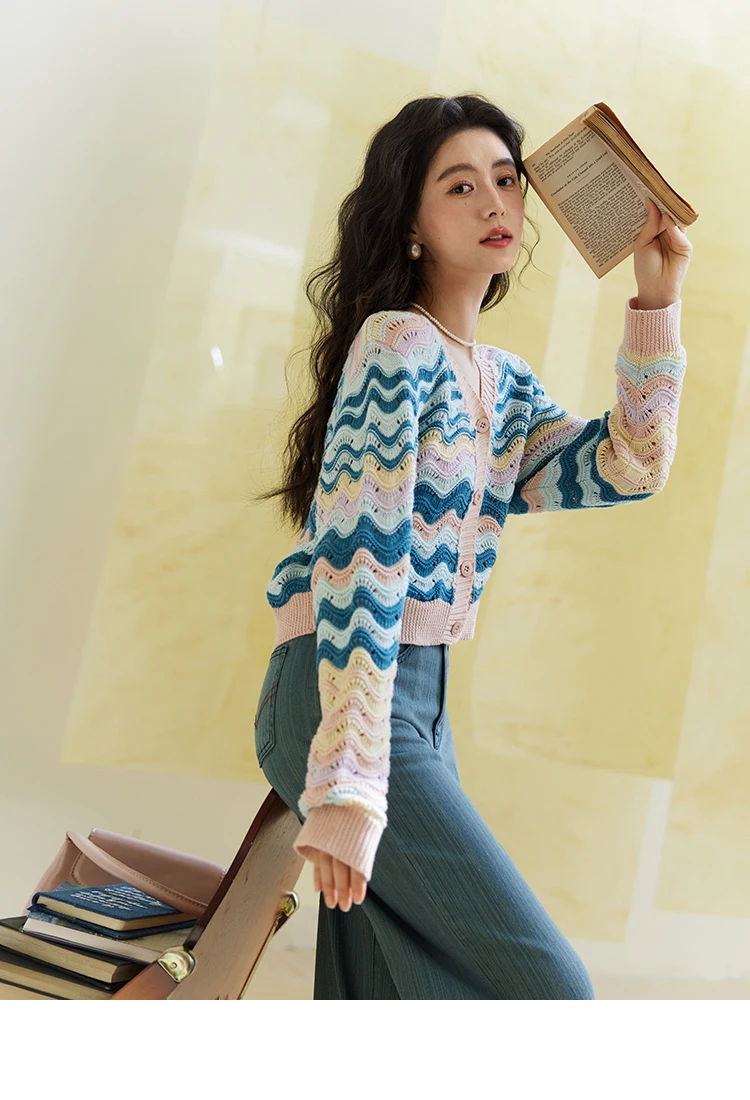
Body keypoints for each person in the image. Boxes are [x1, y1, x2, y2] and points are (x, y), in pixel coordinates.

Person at [250, 93, 691, 998]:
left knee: (382, 1000)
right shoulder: (397, 345)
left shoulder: (502, 383)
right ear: (411, 223)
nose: (494, 202)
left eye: (505, 180)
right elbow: (363, 563)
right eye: (460, 186)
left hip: (418, 703)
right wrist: (348, 778)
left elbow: (629, 465)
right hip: (349, 687)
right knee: (551, 988)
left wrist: (656, 298)